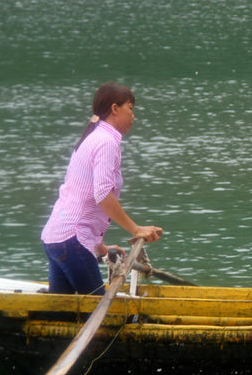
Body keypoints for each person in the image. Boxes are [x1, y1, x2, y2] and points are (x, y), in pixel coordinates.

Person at [41, 82, 162, 294]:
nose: (133, 116)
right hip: (72, 240)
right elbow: (103, 196)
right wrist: (136, 229)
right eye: (130, 109)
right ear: (115, 109)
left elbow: (82, 198)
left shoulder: (93, 137)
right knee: (99, 309)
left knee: (62, 313)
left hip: (56, 237)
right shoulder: (106, 142)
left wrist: (101, 249)